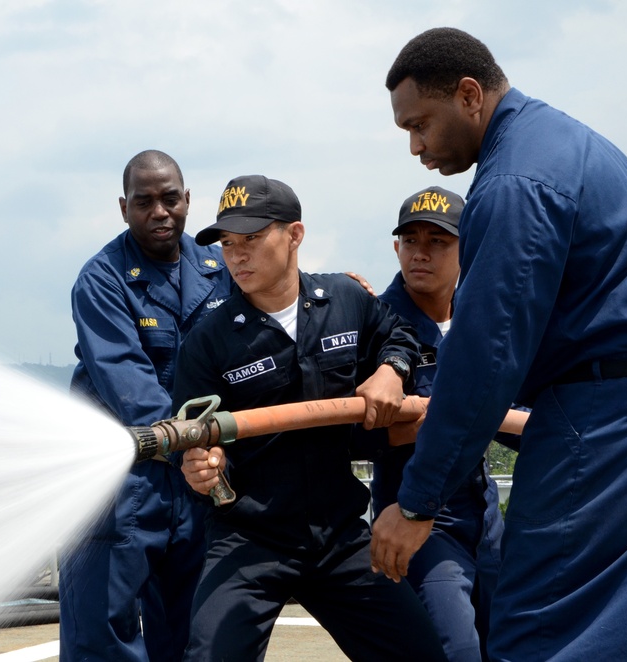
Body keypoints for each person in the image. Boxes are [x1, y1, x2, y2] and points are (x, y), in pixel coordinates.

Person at [372, 27, 627, 661]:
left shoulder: (513, 183)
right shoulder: (570, 143)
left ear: (469, 95)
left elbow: (484, 359)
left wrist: (416, 502)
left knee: (542, 636)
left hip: (612, 421)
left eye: (420, 124)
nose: (415, 147)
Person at [177, 174, 446, 661]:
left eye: (252, 240)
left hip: (338, 533)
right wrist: (203, 472)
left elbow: (400, 334)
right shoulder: (208, 340)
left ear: (295, 235)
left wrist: (391, 370)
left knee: (420, 653)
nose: (236, 256)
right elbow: (195, 438)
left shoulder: (345, 299)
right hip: (249, 538)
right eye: (229, 244)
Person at [62, 149, 232, 661]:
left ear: (187, 200)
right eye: (144, 202)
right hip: (119, 483)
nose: (160, 212)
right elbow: (130, 385)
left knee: (194, 633)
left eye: (170, 199)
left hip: (195, 483)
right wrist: (193, 445)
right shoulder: (102, 280)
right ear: (123, 207)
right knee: (103, 635)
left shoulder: (219, 268)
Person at [353, 186, 515, 662]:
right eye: (410, 240)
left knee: (509, 643)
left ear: (467, 246)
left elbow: (517, 411)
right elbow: (353, 432)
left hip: (486, 516)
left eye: (438, 241)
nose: (420, 252)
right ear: (395, 247)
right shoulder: (375, 326)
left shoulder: (484, 319)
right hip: (417, 517)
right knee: (455, 648)